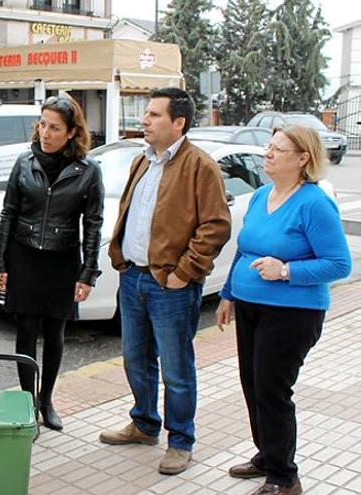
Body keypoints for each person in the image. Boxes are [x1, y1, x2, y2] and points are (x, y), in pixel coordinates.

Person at [100, 87, 231, 475]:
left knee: (176, 366)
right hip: (134, 277)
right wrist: (120, 257)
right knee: (135, 359)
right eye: (146, 113)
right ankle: (143, 423)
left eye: (155, 115)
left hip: (169, 285)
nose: (145, 120)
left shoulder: (199, 165)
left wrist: (183, 273)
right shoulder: (143, 160)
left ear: (179, 122)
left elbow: (215, 226)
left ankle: (181, 440)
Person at [216, 126, 351, 495]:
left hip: (292, 313)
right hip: (250, 308)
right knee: (252, 384)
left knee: (272, 390)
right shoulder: (262, 195)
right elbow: (245, 249)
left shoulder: (314, 202)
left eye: (278, 149)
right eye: (269, 147)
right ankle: (267, 453)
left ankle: (284, 477)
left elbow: (339, 264)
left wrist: (287, 270)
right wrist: (228, 294)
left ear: (303, 158)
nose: (267, 154)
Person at [0, 95, 104, 431]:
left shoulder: (88, 171)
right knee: (25, 333)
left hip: (62, 259)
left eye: (55, 127)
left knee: (55, 333)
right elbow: (8, 212)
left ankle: (47, 400)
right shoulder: (24, 163)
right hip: (24, 256)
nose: (46, 133)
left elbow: (94, 223)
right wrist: (0, 262)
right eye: (42, 124)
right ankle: (27, 401)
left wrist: (88, 272)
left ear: (71, 132)